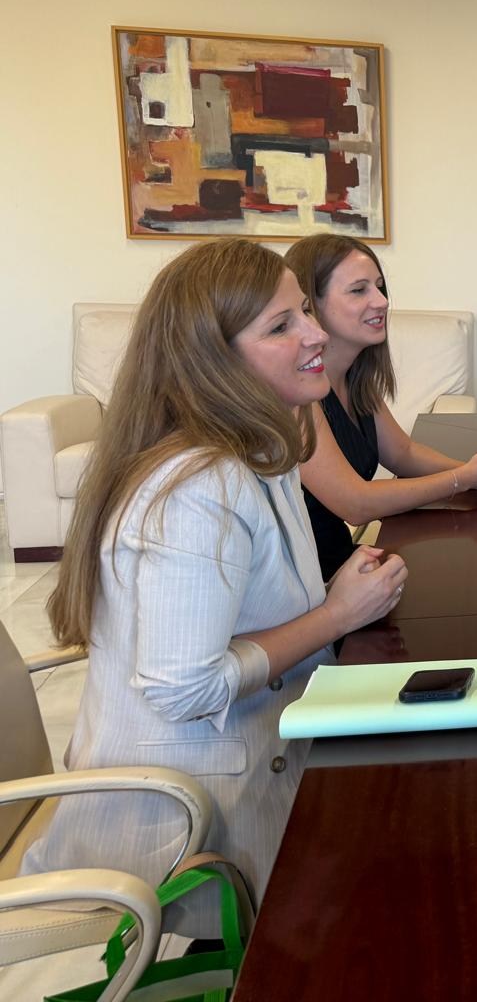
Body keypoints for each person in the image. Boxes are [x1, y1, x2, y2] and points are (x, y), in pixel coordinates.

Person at [27, 239, 409, 933]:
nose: (316, 334)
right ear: (214, 360)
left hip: (246, 763)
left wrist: (337, 599)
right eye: (282, 325)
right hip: (184, 828)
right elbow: (185, 688)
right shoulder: (198, 488)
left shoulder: (261, 450)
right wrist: (334, 616)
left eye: (305, 312)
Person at [285, 234, 477, 581]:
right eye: (358, 290)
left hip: (342, 562)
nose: (381, 301)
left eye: (379, 287)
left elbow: (402, 454)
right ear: (310, 305)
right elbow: (355, 504)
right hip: (309, 583)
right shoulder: (297, 397)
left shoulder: (355, 377)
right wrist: (467, 477)